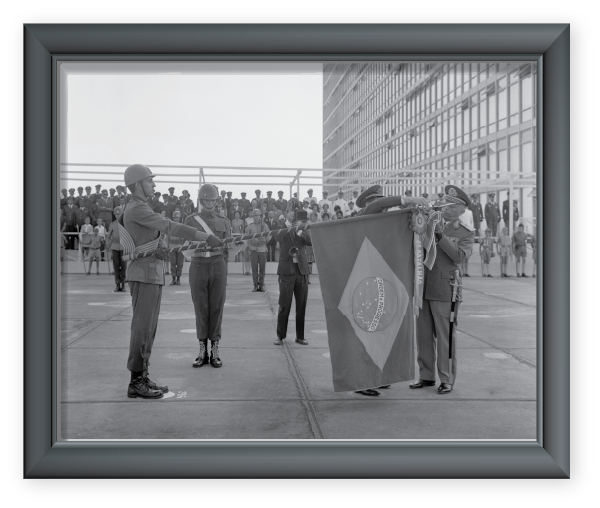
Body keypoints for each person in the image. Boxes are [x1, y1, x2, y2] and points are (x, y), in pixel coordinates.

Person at [122, 164, 222, 399]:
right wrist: (204, 236)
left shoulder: (142, 207)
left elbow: (152, 239)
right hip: (143, 276)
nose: (153, 185)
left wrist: (159, 249)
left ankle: (142, 376)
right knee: (142, 329)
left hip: (151, 275)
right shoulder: (137, 208)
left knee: (149, 330)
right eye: (149, 181)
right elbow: (170, 226)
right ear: (138, 185)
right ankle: (135, 380)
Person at [408, 185, 475, 395]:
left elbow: (458, 257)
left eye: (451, 205)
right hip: (423, 284)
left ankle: (446, 379)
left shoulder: (464, 233)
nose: (445, 208)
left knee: (445, 336)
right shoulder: (429, 222)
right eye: (444, 203)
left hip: (446, 287)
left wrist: (439, 236)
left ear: (461, 210)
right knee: (424, 335)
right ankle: (426, 375)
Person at [184, 183, 231, 369]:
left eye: (212, 200)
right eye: (206, 200)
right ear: (201, 201)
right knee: (200, 308)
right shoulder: (190, 220)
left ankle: (215, 351)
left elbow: (228, 247)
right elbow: (185, 244)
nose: (210, 203)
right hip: (198, 265)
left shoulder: (224, 220)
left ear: (217, 201)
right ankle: (202, 350)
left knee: (217, 308)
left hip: (218, 265)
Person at [274, 209, 312, 346]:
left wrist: (299, 229)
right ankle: (280, 335)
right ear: (287, 214)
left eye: (295, 214)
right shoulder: (282, 225)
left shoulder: (303, 227)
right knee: (284, 304)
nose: (293, 215)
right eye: (291, 213)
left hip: (301, 270)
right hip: (287, 270)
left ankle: (300, 336)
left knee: (301, 305)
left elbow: (309, 241)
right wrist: (286, 224)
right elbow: (277, 238)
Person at [245, 209, 270, 292]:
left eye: (258, 215)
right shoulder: (249, 226)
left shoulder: (264, 225)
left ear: (260, 216)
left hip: (262, 249)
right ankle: (255, 285)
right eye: (255, 215)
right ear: (253, 216)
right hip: (253, 249)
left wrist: (265, 239)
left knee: (262, 268)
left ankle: (261, 284)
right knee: (254, 268)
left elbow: (269, 236)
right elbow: (246, 238)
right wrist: (248, 247)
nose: (257, 217)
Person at [106, 206, 127, 292]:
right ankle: (117, 284)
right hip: (115, 247)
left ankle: (123, 284)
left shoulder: (126, 223)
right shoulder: (112, 224)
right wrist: (108, 246)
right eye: (116, 214)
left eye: (119, 214)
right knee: (116, 267)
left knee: (123, 267)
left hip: (123, 248)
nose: (117, 216)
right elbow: (108, 237)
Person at [166, 210, 185, 285]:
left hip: (180, 248)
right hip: (172, 247)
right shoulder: (170, 227)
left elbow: (184, 238)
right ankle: (173, 279)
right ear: (173, 218)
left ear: (179, 218)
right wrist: (167, 247)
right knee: (173, 263)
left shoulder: (182, 227)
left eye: (177, 218)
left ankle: (178, 279)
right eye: (175, 218)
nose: (176, 219)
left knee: (180, 264)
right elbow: (167, 238)